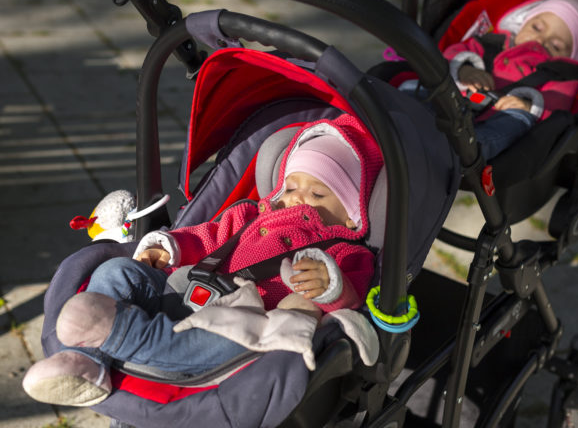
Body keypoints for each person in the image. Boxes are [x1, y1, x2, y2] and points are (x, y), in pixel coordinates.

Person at [23, 114, 382, 407]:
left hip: (239, 325)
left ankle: (116, 335)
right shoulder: (247, 216)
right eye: (291, 187)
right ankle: (85, 363)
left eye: (318, 192)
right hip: (180, 290)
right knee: (117, 271)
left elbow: (352, 298)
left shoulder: (345, 250)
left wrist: (329, 284)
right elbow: (204, 237)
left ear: (351, 214)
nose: (299, 197)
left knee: (214, 344)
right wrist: (168, 246)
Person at [403, 0, 578, 161]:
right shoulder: (492, 43)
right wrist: (464, 69)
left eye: (556, 45)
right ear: (523, 21)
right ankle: (402, 116)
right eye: (537, 27)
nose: (540, 40)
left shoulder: (560, 76)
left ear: (569, 56)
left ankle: (464, 151)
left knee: (517, 121)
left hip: (494, 126)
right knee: (417, 85)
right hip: (454, 104)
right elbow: (453, 52)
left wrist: (528, 107)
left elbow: (557, 111)